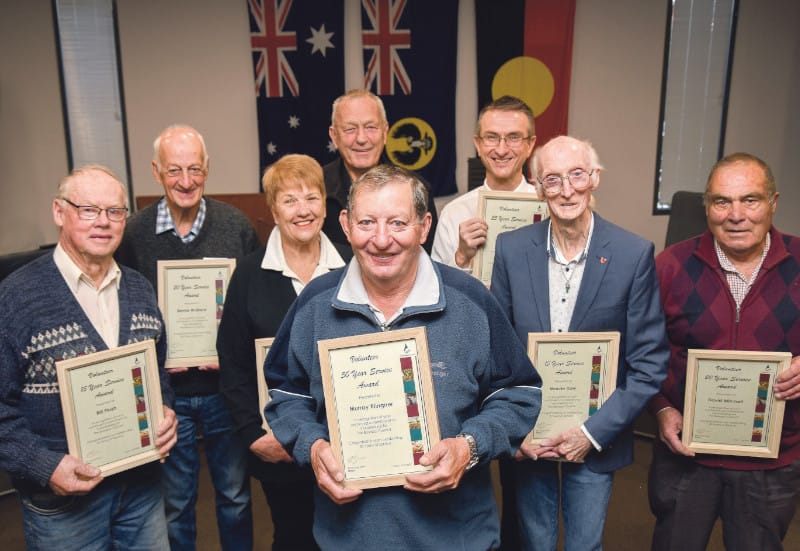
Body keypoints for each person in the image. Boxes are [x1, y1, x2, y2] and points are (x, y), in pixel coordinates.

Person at [264, 164, 542, 550]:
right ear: (345, 225)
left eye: (398, 223)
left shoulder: (472, 301)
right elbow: (288, 396)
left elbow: (519, 392)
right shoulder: (314, 304)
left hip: (456, 537)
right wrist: (312, 446)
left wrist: (469, 447)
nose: (381, 240)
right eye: (366, 223)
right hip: (348, 537)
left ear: (424, 227)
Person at [490, 136, 669, 550]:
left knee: (585, 545)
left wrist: (591, 433)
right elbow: (497, 352)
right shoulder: (512, 249)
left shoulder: (632, 254)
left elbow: (649, 363)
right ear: (537, 187)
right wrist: (514, 429)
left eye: (576, 175)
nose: (566, 190)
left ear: (595, 179)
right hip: (531, 437)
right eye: (552, 179)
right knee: (534, 543)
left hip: (596, 435)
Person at [0, 165, 178, 549]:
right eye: (88, 210)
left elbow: (157, 374)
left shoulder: (141, 289)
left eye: (115, 211)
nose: (104, 222)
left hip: (141, 490)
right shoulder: (16, 298)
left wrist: (164, 410)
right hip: (64, 502)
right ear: (59, 212)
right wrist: (43, 466)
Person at [116, 125, 260, 550]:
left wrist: (227, 352)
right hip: (166, 396)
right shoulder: (133, 233)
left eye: (194, 169)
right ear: (156, 171)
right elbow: (125, 314)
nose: (185, 180)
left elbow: (247, 307)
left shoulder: (235, 226)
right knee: (175, 504)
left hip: (224, 391)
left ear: (207, 169)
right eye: (174, 169)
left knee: (235, 497)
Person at [648, 152, 800, 550]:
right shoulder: (670, 266)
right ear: (707, 207)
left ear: (773, 202)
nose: (736, 215)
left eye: (750, 200)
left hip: (772, 460)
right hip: (686, 456)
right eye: (721, 201)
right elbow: (642, 351)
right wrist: (662, 409)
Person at [217, 154, 351, 550]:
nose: (303, 210)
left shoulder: (353, 263)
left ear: (326, 205)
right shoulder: (248, 274)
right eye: (290, 200)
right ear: (273, 210)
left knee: (352, 535)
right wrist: (253, 434)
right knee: (294, 537)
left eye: (312, 197)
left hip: (350, 441)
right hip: (283, 447)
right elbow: (234, 362)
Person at [322, 89, 438, 251]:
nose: (361, 139)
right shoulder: (315, 190)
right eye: (350, 129)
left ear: (385, 132)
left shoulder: (416, 188)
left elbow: (426, 258)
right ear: (334, 136)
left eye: (371, 127)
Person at [432, 95, 537, 271]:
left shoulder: (549, 210)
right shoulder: (453, 213)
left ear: (530, 145)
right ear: (478, 145)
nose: (502, 150)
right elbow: (438, 290)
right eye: (491, 137)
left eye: (514, 137)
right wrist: (462, 257)